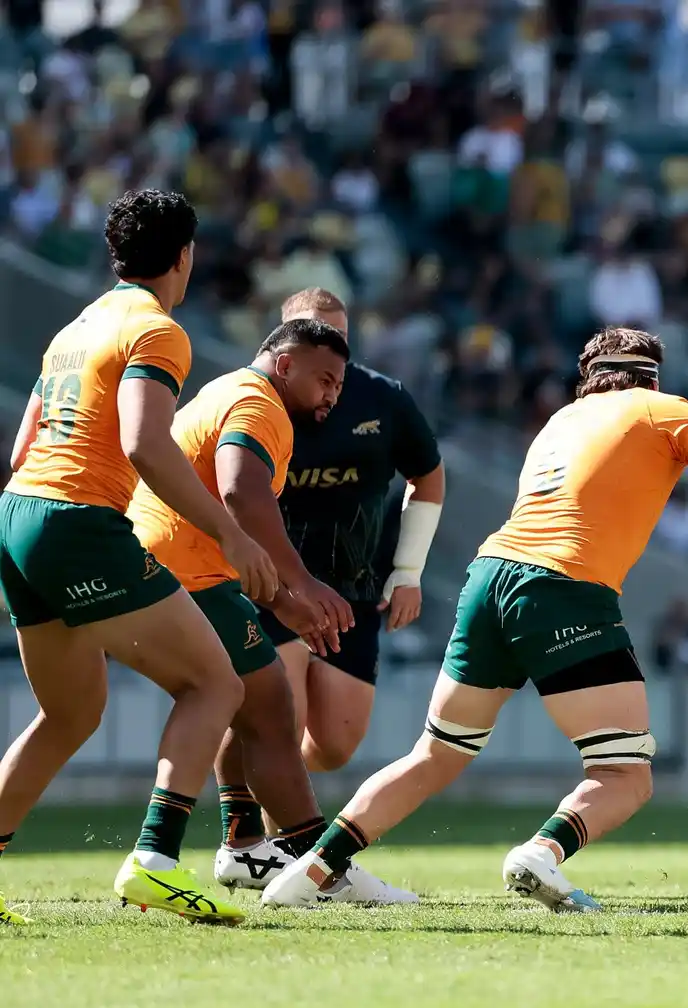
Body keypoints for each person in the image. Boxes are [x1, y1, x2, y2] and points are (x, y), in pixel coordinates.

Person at [262, 328, 688, 912]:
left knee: (435, 753)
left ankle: (311, 871)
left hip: (490, 577)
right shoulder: (664, 410)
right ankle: (541, 854)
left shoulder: (559, 422)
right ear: (651, 377)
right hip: (562, 588)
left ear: (589, 379)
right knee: (625, 775)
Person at [0, 189, 277, 925]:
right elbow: (145, 442)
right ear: (184, 257)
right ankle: (155, 859)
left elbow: (24, 447)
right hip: (75, 520)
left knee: (70, 712)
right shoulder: (157, 329)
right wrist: (230, 534)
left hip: (18, 514)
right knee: (215, 683)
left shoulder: (74, 329)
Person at [125, 320, 413, 905]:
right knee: (262, 706)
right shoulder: (259, 403)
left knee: (246, 701)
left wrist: (284, 600)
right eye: (325, 380)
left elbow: (233, 527)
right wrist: (302, 583)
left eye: (339, 385)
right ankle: (316, 869)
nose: (332, 396)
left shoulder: (230, 390)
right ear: (285, 365)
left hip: (169, 566)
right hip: (178, 573)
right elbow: (240, 492)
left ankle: (244, 846)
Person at [228, 287, 443, 843]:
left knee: (335, 745)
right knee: (281, 720)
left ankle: (253, 764)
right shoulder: (253, 400)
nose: (330, 346)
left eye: (340, 338)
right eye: (315, 334)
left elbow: (428, 475)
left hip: (353, 591)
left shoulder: (382, 398)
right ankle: (275, 848)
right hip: (272, 587)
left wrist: (408, 572)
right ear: (284, 346)